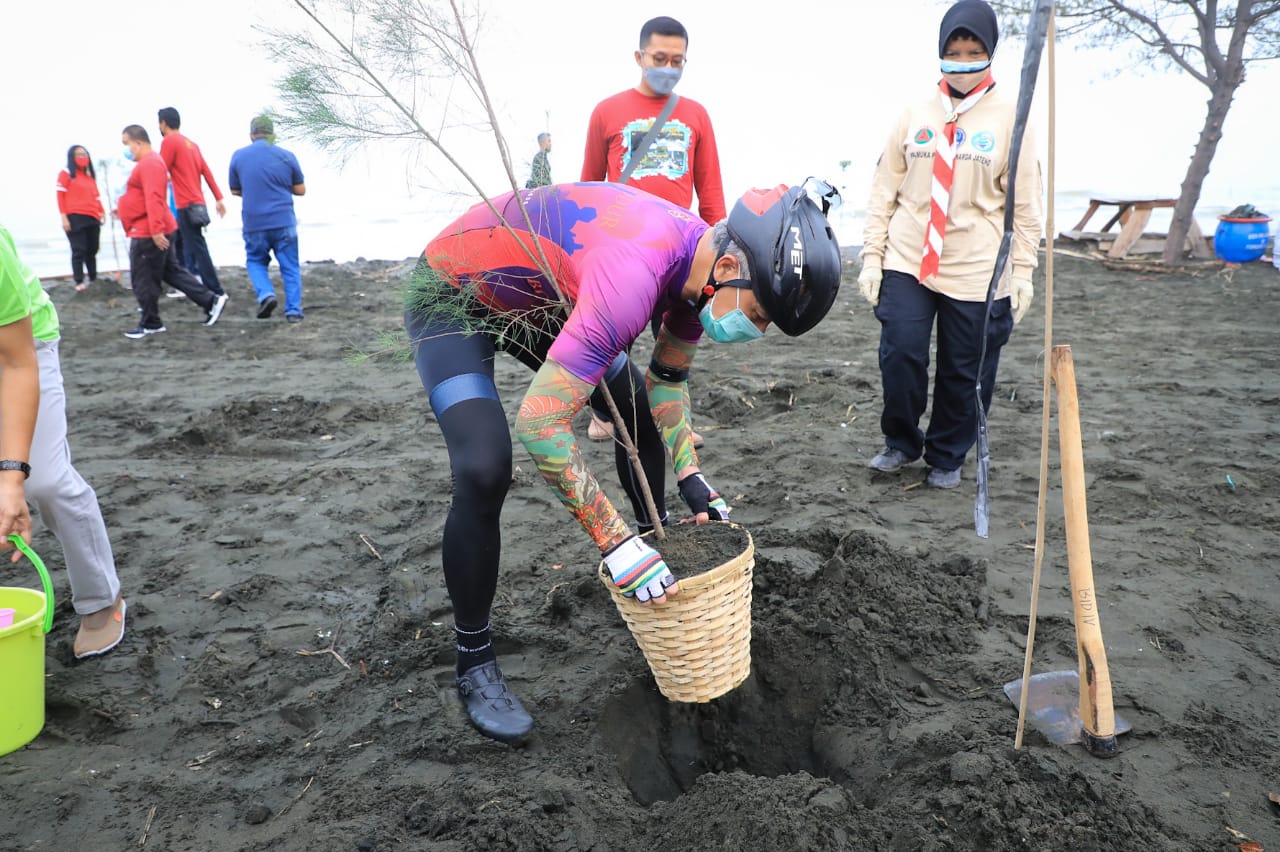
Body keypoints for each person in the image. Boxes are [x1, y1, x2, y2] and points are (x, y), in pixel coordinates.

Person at [405, 179, 842, 743]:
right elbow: (541, 424)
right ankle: (474, 660)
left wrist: (692, 477)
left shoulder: (699, 274)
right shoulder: (635, 275)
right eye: (760, 312)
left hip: (539, 294)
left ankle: (654, 548)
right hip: (454, 292)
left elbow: (667, 380)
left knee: (634, 406)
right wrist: (614, 545)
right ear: (732, 266)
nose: (755, 330)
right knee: (484, 467)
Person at [857, 0, 1042, 490]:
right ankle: (900, 441)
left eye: (973, 50)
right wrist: (871, 257)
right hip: (908, 257)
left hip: (976, 265)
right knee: (901, 353)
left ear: (990, 53)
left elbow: (1024, 206)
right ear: (941, 52)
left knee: (966, 368)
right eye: (954, 51)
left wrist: (1022, 271)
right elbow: (884, 188)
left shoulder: (1010, 117)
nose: (962, 61)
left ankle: (947, 453)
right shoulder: (914, 113)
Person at [581, 15, 725, 445]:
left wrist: (715, 253)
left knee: (674, 338)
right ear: (639, 57)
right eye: (660, 58)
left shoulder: (696, 115)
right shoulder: (606, 112)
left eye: (678, 60)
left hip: (676, 251)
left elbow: (710, 191)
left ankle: (673, 417)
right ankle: (605, 412)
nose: (668, 67)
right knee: (612, 335)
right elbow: (587, 187)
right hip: (620, 251)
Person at [0, 226, 127, 656]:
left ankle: (101, 599)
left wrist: (11, 477)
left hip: (18, 349)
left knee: (45, 481)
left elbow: (17, 364)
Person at [116, 125, 228, 339]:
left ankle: (151, 322)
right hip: (154, 225)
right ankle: (210, 300)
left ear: (138, 143)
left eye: (126, 143)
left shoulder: (149, 163)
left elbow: (154, 197)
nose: (126, 149)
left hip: (148, 230)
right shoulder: (152, 162)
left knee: (143, 277)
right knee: (172, 272)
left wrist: (156, 230)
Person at [228, 116, 307, 323]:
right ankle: (293, 312)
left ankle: (266, 295)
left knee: (255, 260)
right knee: (290, 266)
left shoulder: (239, 156)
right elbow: (301, 190)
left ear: (251, 135)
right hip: (283, 220)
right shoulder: (287, 156)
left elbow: (235, 190)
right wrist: (280, 186)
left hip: (254, 222)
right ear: (273, 134)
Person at [157, 107, 228, 296]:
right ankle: (192, 285)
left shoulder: (169, 141)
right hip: (197, 202)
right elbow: (206, 171)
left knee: (195, 248)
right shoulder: (191, 144)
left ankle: (215, 290)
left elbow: (158, 170)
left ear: (163, 123)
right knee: (186, 245)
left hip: (185, 204)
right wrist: (218, 198)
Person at [56, 145, 105, 291]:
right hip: (75, 216)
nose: (82, 157)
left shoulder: (89, 176)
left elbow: (96, 196)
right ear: (72, 156)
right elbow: (60, 196)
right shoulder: (65, 173)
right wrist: (64, 218)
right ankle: (79, 281)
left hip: (93, 216)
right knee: (79, 250)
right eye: (78, 154)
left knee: (93, 249)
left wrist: (101, 211)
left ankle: (94, 278)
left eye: (84, 154)